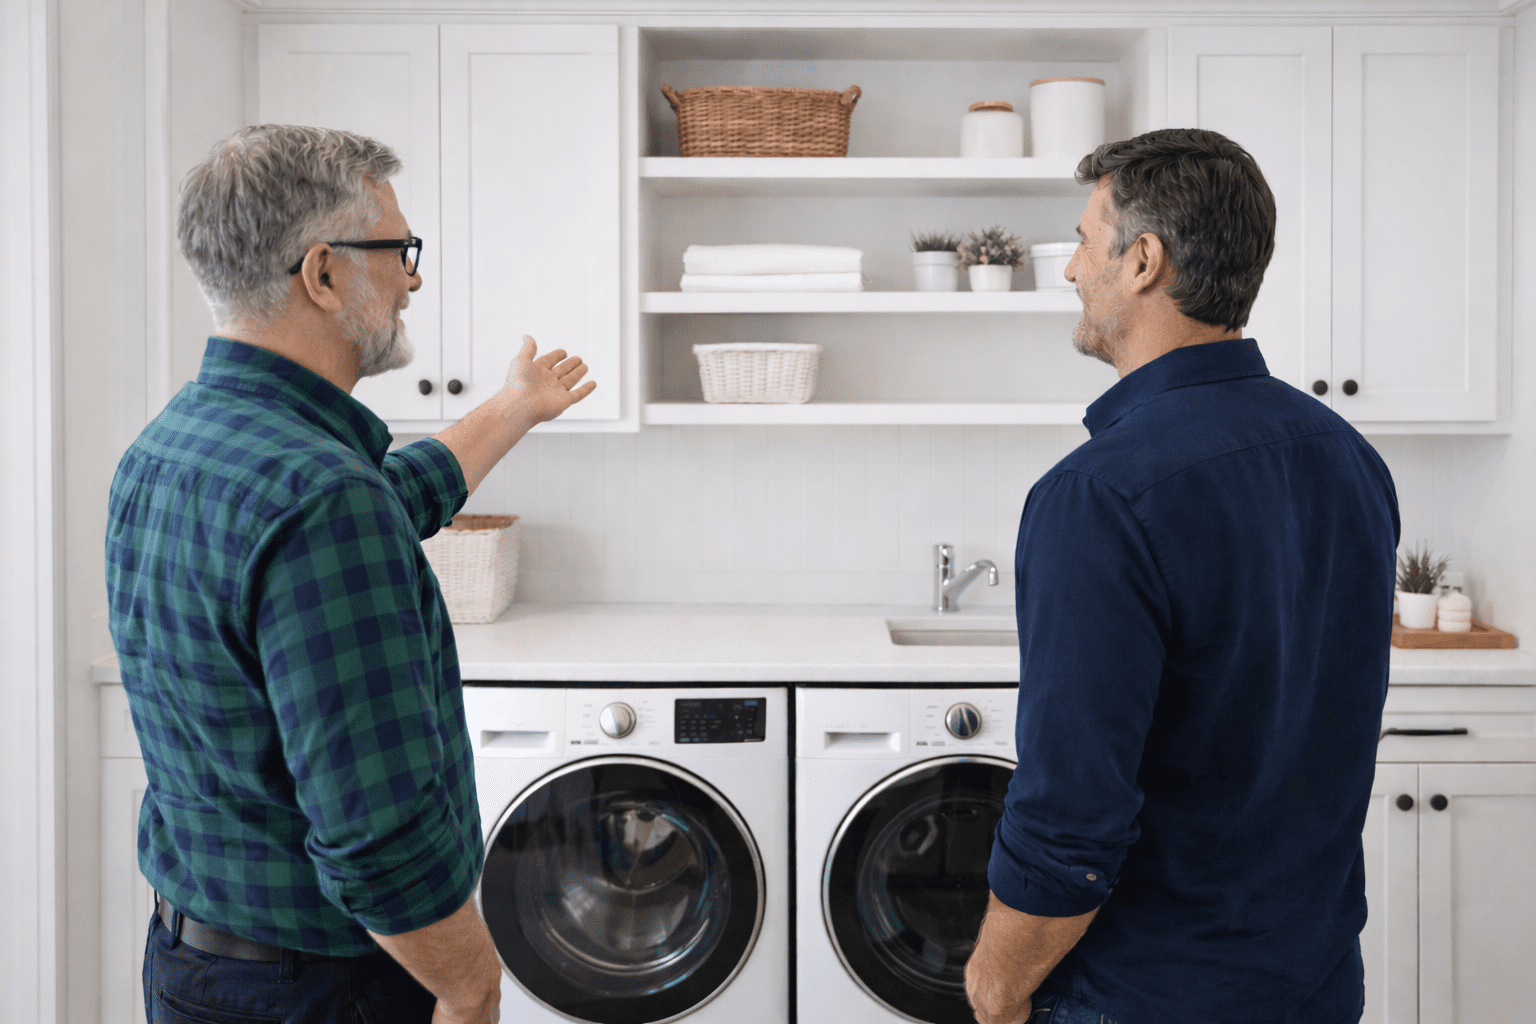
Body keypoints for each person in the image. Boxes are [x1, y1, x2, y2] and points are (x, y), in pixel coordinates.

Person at [106, 124, 596, 1024]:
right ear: (323, 275)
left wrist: (516, 406)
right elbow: (375, 839)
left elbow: (382, 497)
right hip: (327, 988)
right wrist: (470, 985)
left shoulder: (170, 448)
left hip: (192, 959)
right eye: (398, 251)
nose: (413, 279)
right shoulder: (323, 497)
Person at [964, 129, 1400, 1024]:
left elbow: (1070, 816)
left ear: (1143, 261)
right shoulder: (1349, 459)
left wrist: (994, 986)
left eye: (1087, 240)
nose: (1072, 268)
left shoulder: (1097, 495)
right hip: (1315, 982)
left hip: (1147, 994)